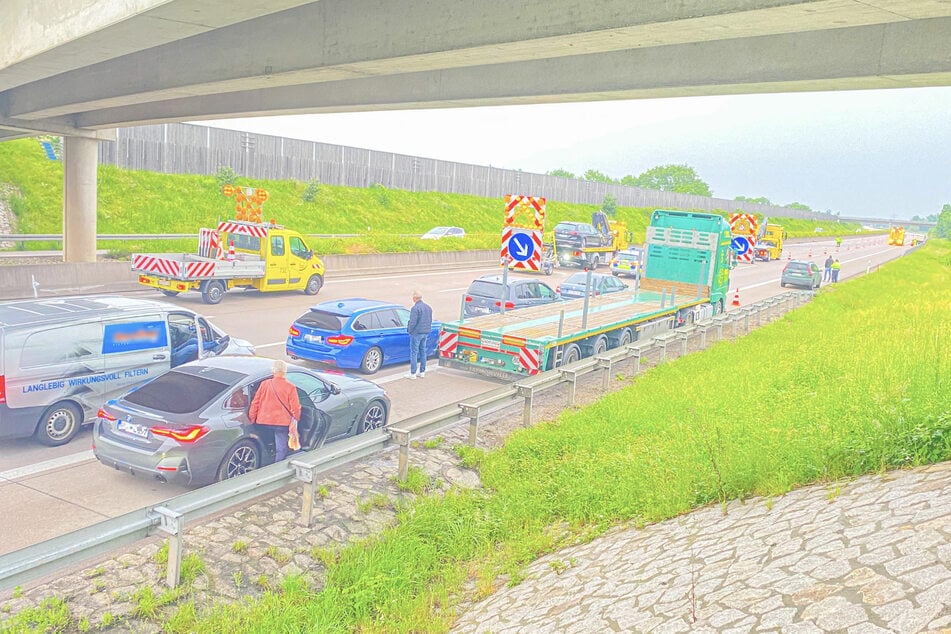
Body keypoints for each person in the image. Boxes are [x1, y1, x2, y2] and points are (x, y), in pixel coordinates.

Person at [248, 359, 301, 462]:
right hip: (281, 424)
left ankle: (264, 460)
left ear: (273, 371)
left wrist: (252, 419)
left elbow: (255, 403)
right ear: (285, 372)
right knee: (281, 446)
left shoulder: (264, 384)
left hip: (263, 422)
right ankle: (278, 465)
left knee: (264, 441)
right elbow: (295, 408)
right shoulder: (290, 387)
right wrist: (296, 419)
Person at [406, 290, 433, 379]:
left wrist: (409, 330)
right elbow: (429, 320)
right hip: (425, 332)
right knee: (423, 352)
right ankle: (422, 372)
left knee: (414, 352)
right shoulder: (428, 308)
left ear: (414, 298)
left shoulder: (415, 309)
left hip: (416, 333)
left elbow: (413, 322)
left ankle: (413, 373)